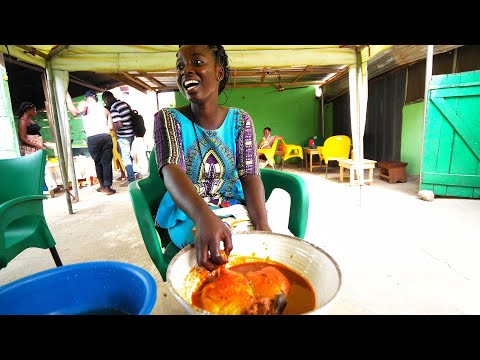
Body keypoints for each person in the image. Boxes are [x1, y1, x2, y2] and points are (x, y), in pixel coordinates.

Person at [153, 45, 272, 272]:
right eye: (180, 65)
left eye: (197, 62)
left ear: (219, 72)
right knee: (217, 254)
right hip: (189, 211)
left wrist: (263, 224)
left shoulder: (240, 120)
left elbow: (250, 176)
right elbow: (171, 170)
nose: (186, 70)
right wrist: (203, 217)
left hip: (232, 206)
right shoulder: (167, 119)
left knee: (257, 249)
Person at [66, 90, 116, 195]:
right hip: (106, 136)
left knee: (98, 163)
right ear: (96, 98)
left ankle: (102, 186)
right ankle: (108, 188)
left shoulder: (85, 104)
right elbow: (111, 127)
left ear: (86, 98)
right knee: (106, 163)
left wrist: (66, 96)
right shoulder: (105, 110)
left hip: (93, 137)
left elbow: (75, 112)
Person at [17, 102, 57, 192]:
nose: (36, 112)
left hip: (38, 146)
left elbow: (35, 134)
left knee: (43, 168)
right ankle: (37, 190)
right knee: (35, 169)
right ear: (27, 110)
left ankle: (47, 189)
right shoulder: (23, 121)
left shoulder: (30, 120)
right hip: (30, 150)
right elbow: (23, 138)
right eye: (34, 110)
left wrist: (43, 143)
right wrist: (37, 145)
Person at [101, 91, 136, 186]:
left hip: (123, 135)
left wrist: (111, 127)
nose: (105, 103)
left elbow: (119, 124)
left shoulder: (114, 108)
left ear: (106, 99)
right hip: (131, 133)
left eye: (104, 101)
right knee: (129, 156)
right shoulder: (124, 104)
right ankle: (135, 174)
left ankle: (131, 180)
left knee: (125, 158)